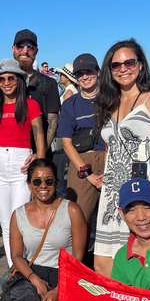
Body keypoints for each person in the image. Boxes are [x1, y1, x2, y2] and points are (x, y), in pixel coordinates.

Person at [93, 39, 150, 277]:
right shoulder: (110, 103)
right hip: (113, 195)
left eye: (129, 62)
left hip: (147, 191)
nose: (123, 68)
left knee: (140, 264)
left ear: (140, 65)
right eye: (116, 65)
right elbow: (111, 145)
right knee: (103, 263)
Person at [4, 158, 87, 301]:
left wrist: (59, 291)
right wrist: (34, 279)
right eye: (37, 181)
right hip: (35, 272)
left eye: (49, 181)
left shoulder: (71, 210)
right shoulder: (19, 214)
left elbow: (78, 259)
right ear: (29, 185)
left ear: (56, 183)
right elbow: (16, 255)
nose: (43, 186)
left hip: (65, 273)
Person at [0, 58, 46, 288]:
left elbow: (39, 136)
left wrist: (39, 159)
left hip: (21, 163)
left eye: (11, 78)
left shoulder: (30, 105)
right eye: (2, 79)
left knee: (22, 220)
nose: (7, 82)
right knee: (7, 222)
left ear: (18, 80)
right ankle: (14, 269)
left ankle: (26, 267)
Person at [57, 53, 106, 227]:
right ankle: (79, 254)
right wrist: (88, 174)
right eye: (80, 73)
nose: (84, 77)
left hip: (110, 159)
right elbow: (66, 143)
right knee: (79, 220)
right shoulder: (70, 104)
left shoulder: (112, 99)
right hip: (82, 162)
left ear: (98, 72)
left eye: (89, 71)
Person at [51, 63, 79, 197]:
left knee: (59, 171)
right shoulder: (72, 90)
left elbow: (65, 115)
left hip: (63, 135)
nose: (59, 76)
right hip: (69, 135)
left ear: (67, 77)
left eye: (61, 74)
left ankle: (60, 199)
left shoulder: (69, 92)